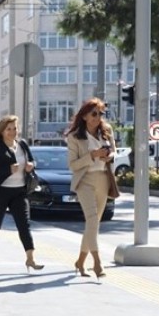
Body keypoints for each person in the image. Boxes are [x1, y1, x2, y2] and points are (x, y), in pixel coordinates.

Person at [0, 114, 42, 271]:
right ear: (2, 131)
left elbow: (32, 160)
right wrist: (6, 170)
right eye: (9, 129)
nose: (13, 132)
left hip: (19, 192)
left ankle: (30, 258)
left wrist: (30, 165)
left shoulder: (22, 144)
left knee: (24, 225)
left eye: (15, 128)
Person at [64, 98, 115, 277]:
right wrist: (92, 155)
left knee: (93, 224)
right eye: (94, 113)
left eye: (101, 113)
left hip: (103, 179)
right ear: (85, 116)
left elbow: (114, 151)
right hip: (84, 180)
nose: (98, 117)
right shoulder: (75, 136)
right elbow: (73, 165)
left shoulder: (107, 131)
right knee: (92, 220)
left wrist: (108, 156)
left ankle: (80, 261)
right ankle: (97, 263)